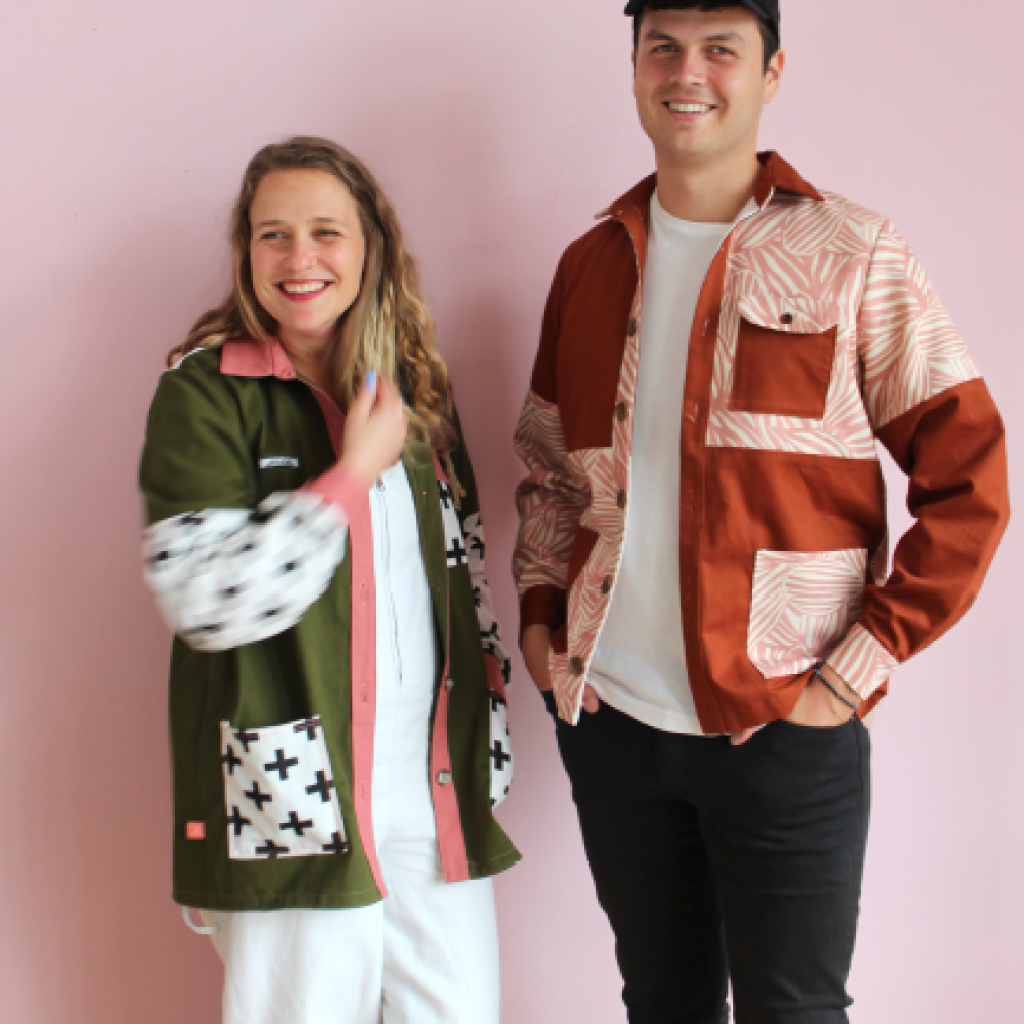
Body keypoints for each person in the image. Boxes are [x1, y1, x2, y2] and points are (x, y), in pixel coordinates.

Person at [512, 3, 1009, 1022]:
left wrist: (853, 670)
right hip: (612, 724)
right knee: (663, 1004)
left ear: (772, 71)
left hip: (785, 725)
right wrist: (539, 622)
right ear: (635, 65)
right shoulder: (590, 264)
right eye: (662, 47)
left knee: (795, 1013)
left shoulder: (853, 252)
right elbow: (552, 469)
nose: (686, 73)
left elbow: (971, 479)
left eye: (720, 49)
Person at [139, 136, 518, 1024]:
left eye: (325, 232)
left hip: (431, 793)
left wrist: (488, 737)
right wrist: (349, 476)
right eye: (272, 235)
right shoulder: (206, 391)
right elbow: (206, 601)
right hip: (290, 794)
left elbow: (466, 578)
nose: (298, 258)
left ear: (369, 244)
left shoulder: (415, 389)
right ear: (246, 252)